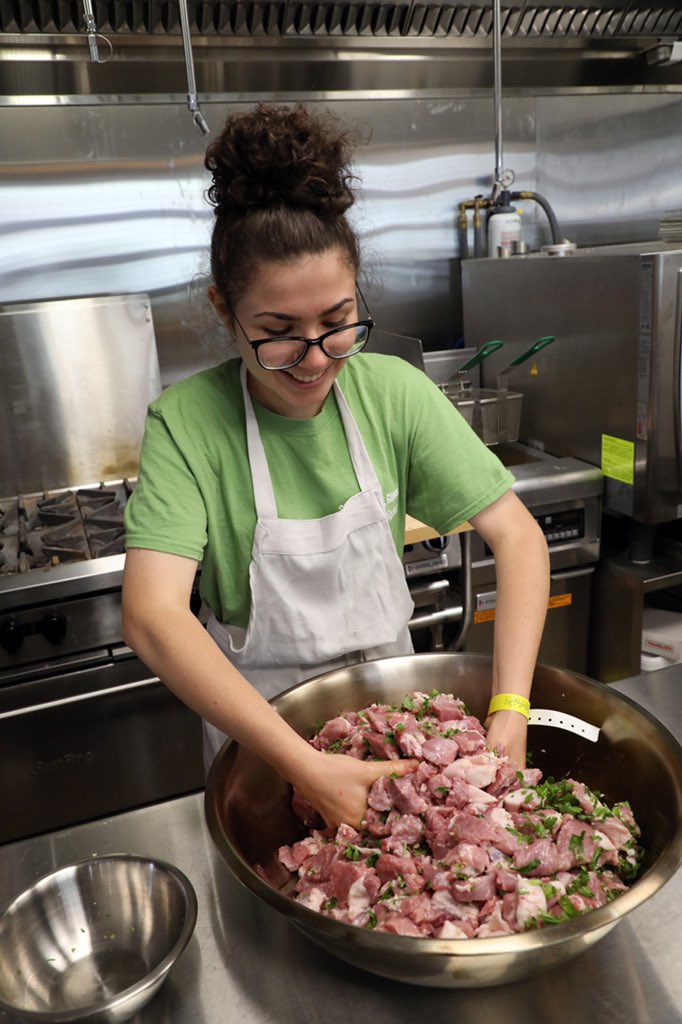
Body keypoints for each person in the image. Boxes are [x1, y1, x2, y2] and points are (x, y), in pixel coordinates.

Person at [122, 102, 550, 830]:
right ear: (225, 310)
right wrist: (308, 768)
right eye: (278, 333)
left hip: (404, 742)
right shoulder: (187, 425)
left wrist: (511, 707)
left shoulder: (393, 393)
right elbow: (152, 616)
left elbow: (518, 537)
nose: (315, 358)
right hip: (263, 750)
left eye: (337, 322)